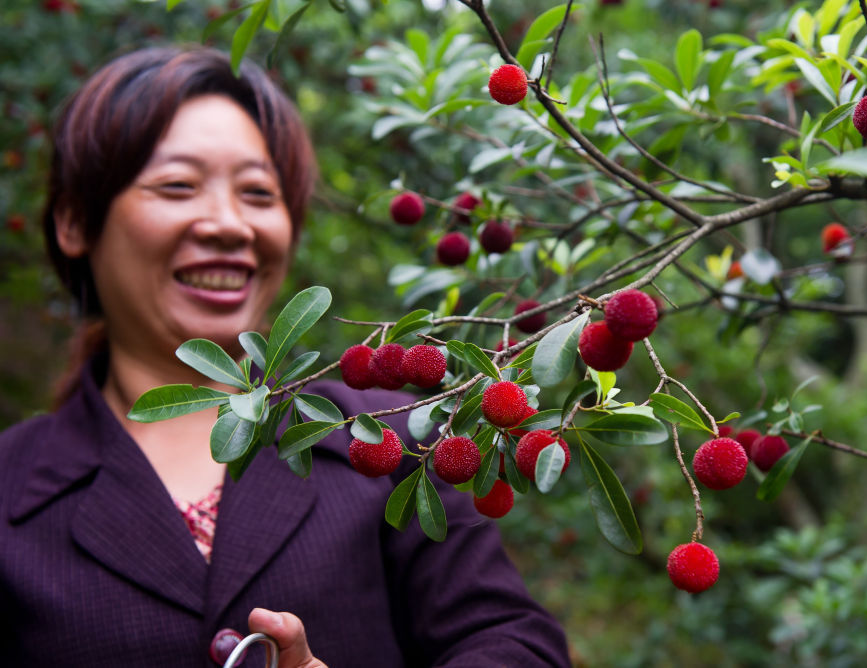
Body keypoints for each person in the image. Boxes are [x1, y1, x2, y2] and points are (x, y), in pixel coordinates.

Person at [0, 46, 571, 667]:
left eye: (257, 192)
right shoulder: (11, 484)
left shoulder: (392, 439)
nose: (229, 224)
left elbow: (517, 646)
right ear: (75, 221)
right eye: (178, 186)